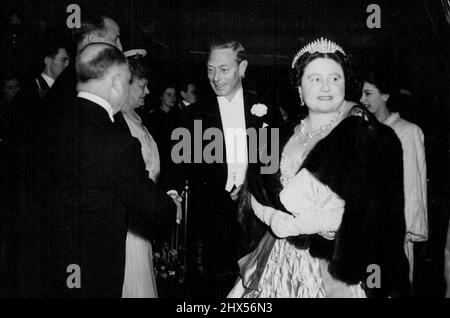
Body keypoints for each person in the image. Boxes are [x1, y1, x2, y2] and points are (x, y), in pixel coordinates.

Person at [228, 37, 410, 298]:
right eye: (315, 78)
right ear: (299, 88)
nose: (326, 87)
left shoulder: (370, 137)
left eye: (335, 78)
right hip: (277, 261)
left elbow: (377, 213)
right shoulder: (278, 134)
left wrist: (305, 224)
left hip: (335, 268)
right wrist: (271, 217)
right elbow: (254, 188)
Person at [8, 43, 180, 297]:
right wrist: (172, 205)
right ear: (117, 82)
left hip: (48, 263)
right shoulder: (117, 142)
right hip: (95, 270)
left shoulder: (46, 126)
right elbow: (153, 211)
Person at [180, 40, 271, 297]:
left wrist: (249, 188)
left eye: (224, 69)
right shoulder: (192, 115)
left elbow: (270, 165)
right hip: (210, 226)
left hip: (255, 222)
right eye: (210, 70)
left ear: (242, 68)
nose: (215, 78)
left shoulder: (264, 110)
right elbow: (182, 170)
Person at [360, 70, 428, 284]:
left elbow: (412, 185)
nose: (362, 100)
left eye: (368, 93)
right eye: (361, 94)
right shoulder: (363, 132)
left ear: (385, 96)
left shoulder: (408, 131)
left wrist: (408, 229)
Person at [121, 49, 160, 298]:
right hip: (129, 221)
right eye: (142, 86)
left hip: (142, 216)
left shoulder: (134, 117)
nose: (147, 92)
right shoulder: (118, 122)